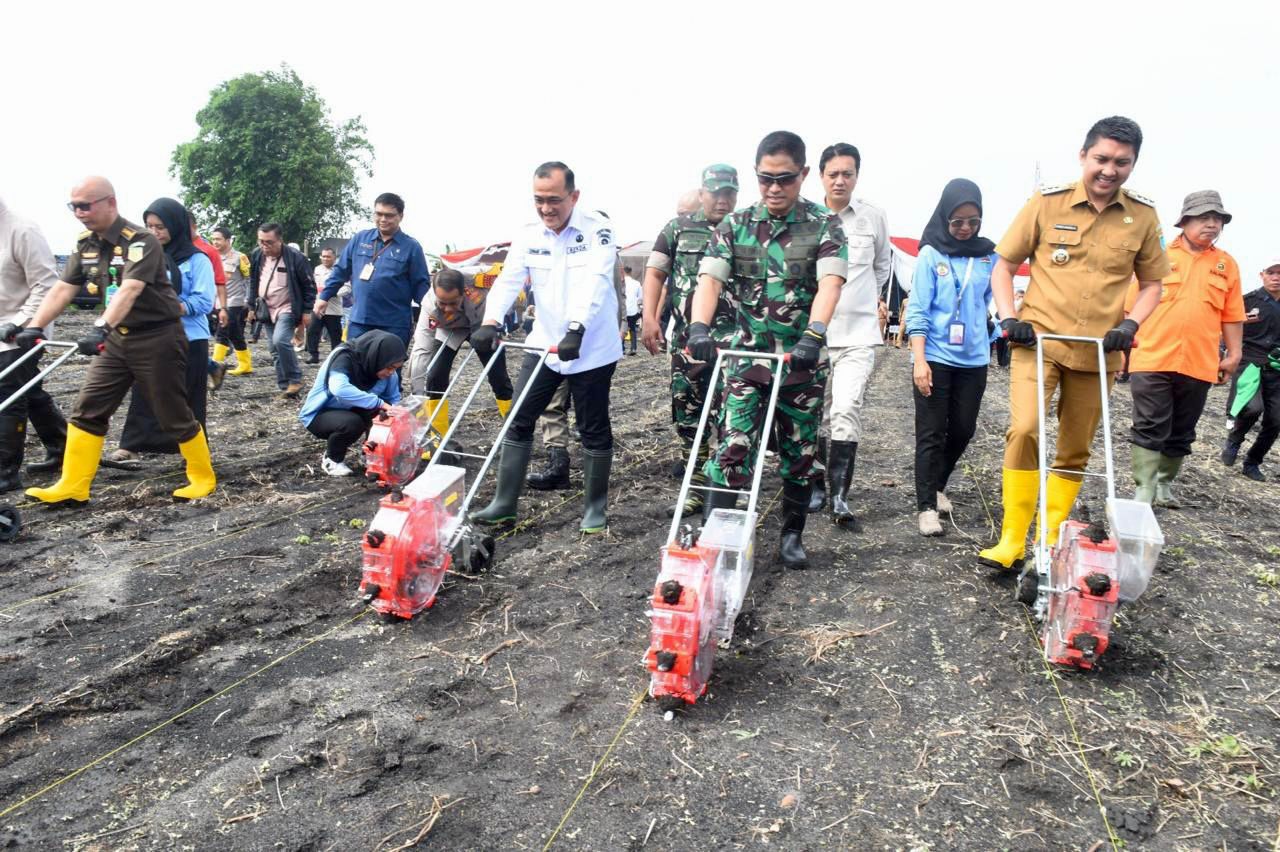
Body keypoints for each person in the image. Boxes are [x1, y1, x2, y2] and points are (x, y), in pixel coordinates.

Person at [978, 117, 1170, 571]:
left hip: (1099, 350)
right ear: (1083, 156)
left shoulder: (1142, 217)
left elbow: (1153, 285)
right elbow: (1003, 266)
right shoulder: (1046, 203)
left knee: (1075, 446)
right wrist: (1009, 316)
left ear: (1133, 164)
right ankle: (1012, 539)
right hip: (1038, 341)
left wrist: (1131, 323)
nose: (1110, 170)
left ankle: (1048, 543)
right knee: (1025, 429)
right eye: (1102, 159)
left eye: (1122, 162)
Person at [689, 131, 848, 568]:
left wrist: (813, 335)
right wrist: (699, 328)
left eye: (784, 179)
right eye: (765, 179)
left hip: (802, 360)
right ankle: (715, 535)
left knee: (799, 454)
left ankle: (791, 536)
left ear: (802, 175)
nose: (774, 188)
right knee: (733, 446)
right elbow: (711, 280)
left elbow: (830, 282)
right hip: (747, 360)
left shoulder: (823, 225)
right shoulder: (734, 225)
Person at [16, 176, 215, 504]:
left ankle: (201, 476)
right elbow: (65, 288)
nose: (79, 212)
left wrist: (101, 327)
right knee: (88, 408)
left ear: (110, 203)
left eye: (85, 205)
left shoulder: (140, 242)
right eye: (74, 206)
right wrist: (34, 326)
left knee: (171, 412)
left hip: (158, 337)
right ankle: (73, 485)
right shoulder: (85, 244)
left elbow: (130, 288)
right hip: (118, 340)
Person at [468, 161, 620, 533]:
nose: (546, 208)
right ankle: (504, 503)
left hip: (591, 347)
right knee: (519, 419)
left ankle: (594, 509)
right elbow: (508, 281)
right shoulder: (529, 235)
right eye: (539, 200)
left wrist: (576, 328)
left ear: (574, 196)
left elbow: (597, 283)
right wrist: (490, 322)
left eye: (554, 200)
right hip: (544, 346)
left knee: (592, 426)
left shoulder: (598, 231)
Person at [1126, 191, 1243, 505]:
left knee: (1182, 427)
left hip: (1199, 360)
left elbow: (1232, 315)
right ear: (1185, 220)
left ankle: (1164, 484)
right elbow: (1129, 305)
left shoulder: (1226, 264)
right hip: (1152, 353)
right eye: (1205, 218)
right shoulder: (1159, 254)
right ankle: (1144, 488)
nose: (1212, 225)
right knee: (1150, 422)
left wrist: (1234, 354)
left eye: (1217, 219)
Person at [642, 166, 740, 510]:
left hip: (736, 344)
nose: (723, 200)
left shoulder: (744, 229)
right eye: (716, 192)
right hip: (688, 342)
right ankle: (696, 490)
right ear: (703, 193)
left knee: (735, 419)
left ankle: (728, 490)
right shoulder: (678, 228)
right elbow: (654, 272)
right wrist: (649, 318)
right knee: (689, 417)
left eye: (730, 193)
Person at [905, 179, 997, 536]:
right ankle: (926, 506)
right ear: (944, 217)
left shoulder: (990, 256)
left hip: (974, 360)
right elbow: (918, 310)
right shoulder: (931, 254)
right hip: (936, 357)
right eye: (957, 221)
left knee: (963, 428)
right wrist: (919, 359)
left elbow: (989, 299)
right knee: (930, 432)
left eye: (973, 221)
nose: (965, 228)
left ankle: (938, 484)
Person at [813, 142, 891, 525]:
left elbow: (880, 267)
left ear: (857, 176)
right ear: (821, 176)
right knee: (812, 414)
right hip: (814, 336)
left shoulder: (873, 218)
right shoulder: (808, 219)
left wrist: (866, 301)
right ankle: (814, 483)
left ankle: (839, 497)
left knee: (845, 408)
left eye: (848, 173)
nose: (840, 180)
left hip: (858, 334)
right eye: (833, 174)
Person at [113, 198, 218, 459]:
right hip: (151, 335)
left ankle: (192, 451)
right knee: (144, 391)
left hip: (189, 337)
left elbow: (204, 301)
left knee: (186, 397)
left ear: (175, 225)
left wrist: (168, 306)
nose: (154, 232)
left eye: (160, 226)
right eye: (149, 226)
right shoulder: (147, 257)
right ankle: (132, 444)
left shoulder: (197, 259)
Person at [0, 196, 68, 490]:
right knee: (31, 389)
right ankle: (63, 448)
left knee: (9, 397)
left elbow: (46, 285)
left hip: (23, 331)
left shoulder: (22, 230)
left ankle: (5, 472)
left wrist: (23, 321)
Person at [315, 193, 431, 347]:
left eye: (389, 215)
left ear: (400, 216)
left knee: (389, 369)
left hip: (393, 325)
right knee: (355, 365)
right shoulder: (360, 239)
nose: (383, 219)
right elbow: (340, 271)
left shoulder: (411, 247)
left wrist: (432, 313)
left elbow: (420, 286)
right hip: (359, 321)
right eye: (379, 214)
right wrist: (324, 297)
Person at [407, 267, 513, 427]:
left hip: (481, 326)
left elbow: (508, 294)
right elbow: (422, 349)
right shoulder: (429, 306)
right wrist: (418, 396)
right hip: (449, 329)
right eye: (443, 303)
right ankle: (438, 433)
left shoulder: (481, 286)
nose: (448, 308)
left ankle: (513, 428)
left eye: (453, 302)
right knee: (435, 375)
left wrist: (497, 325)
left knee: (498, 375)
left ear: (464, 291)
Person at [300, 330, 405, 476]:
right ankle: (332, 460)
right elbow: (339, 389)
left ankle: (371, 454)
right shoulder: (344, 357)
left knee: (384, 414)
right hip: (320, 414)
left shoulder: (387, 373)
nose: (391, 372)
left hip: (352, 409)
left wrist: (396, 414)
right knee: (352, 423)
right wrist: (379, 403)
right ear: (378, 357)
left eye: (395, 368)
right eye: (389, 367)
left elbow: (393, 399)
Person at [1222, 258, 1280, 481]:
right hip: (1249, 362)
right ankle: (1234, 440)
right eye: (1271, 272)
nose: (1276, 277)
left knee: (1276, 421)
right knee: (1253, 407)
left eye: (1279, 273)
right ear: (1262, 274)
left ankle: (1253, 462)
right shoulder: (1246, 301)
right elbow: (1225, 328)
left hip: (1276, 367)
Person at [247, 222, 315, 399]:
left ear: (280, 240)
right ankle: (285, 386)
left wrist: (307, 310)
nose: (265, 246)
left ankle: (295, 378)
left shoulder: (295, 257)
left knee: (280, 340)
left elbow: (309, 285)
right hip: (265, 307)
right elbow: (253, 281)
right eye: (261, 241)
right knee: (273, 348)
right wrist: (250, 306)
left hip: (288, 306)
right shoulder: (257, 255)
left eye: (269, 242)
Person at [211, 226, 253, 376]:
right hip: (217, 301)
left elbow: (249, 279)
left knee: (222, 332)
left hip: (235, 301)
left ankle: (214, 367)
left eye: (218, 239)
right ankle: (245, 364)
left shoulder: (239, 257)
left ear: (228, 240)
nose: (215, 242)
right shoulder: (211, 256)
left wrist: (250, 301)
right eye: (213, 238)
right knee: (235, 334)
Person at [306, 247, 346, 364]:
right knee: (312, 331)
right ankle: (313, 355)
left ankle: (336, 356)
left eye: (328, 256)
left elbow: (347, 287)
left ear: (334, 257)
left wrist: (332, 293)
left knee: (335, 335)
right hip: (318, 307)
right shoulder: (317, 269)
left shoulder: (340, 270)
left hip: (333, 309)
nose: (325, 259)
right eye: (323, 256)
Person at [622, 265, 642, 355]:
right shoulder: (637, 283)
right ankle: (633, 348)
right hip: (633, 309)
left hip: (623, 309)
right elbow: (640, 297)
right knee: (632, 329)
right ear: (630, 272)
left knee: (621, 328)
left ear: (623, 272)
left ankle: (621, 348)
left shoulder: (620, 282)